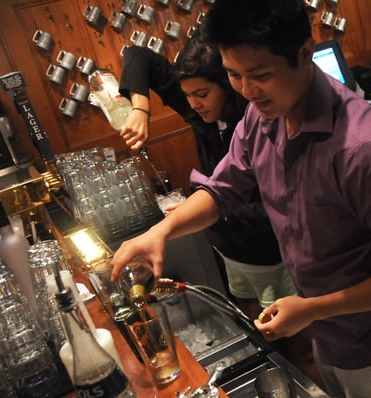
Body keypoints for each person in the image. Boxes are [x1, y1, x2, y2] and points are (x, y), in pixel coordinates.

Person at [111, 1, 371, 397]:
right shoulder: (262, 116)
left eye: (260, 75)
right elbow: (223, 190)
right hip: (328, 335)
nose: (247, 91)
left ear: (304, 53)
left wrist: (312, 308)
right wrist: (163, 230)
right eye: (233, 75)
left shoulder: (367, 149)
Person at [118, 31, 297, 320]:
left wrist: (204, 210)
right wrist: (140, 108)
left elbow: (280, 206)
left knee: (288, 334)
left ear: (229, 85)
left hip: (268, 255)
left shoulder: (257, 121)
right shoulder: (197, 107)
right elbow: (137, 54)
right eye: (188, 95)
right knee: (249, 317)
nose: (193, 104)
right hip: (229, 249)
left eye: (201, 94)